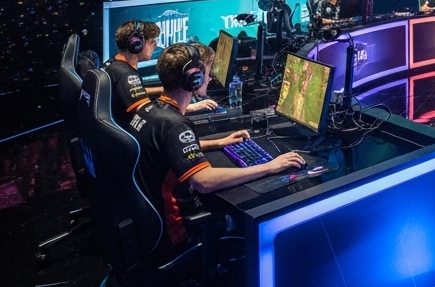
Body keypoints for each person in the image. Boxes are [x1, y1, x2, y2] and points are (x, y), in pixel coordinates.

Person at [127, 43, 304, 266]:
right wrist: (270, 167)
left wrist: (219, 142)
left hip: (146, 226)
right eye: (207, 73)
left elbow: (168, 149)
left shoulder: (151, 111)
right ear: (193, 79)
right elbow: (204, 182)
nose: (210, 78)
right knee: (252, 208)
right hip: (177, 234)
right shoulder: (175, 126)